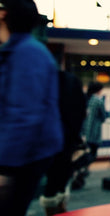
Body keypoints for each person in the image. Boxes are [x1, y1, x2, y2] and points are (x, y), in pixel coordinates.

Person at [0, 0, 64, 216]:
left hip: (21, 160)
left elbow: (24, 115)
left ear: (3, 15)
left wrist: (6, 169)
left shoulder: (27, 54)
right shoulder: (23, 52)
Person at [39, 70, 87, 215]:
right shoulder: (71, 81)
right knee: (59, 179)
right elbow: (80, 112)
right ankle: (59, 207)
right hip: (66, 141)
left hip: (41, 141)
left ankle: (53, 208)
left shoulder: (38, 80)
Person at [84, 81, 107, 162]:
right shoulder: (98, 101)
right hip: (94, 132)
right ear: (98, 90)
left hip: (84, 131)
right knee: (93, 153)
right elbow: (103, 117)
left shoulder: (86, 99)